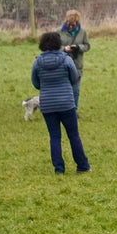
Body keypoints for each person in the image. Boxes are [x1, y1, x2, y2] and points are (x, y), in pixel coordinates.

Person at [32, 31, 91, 174]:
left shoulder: (37, 62)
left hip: (47, 104)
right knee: (73, 135)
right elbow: (74, 77)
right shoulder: (66, 60)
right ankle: (82, 166)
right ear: (58, 44)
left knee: (54, 136)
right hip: (66, 103)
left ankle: (59, 168)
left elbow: (36, 83)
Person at [59, 9, 89, 111]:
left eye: (73, 24)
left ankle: (73, 111)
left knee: (75, 90)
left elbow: (87, 46)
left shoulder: (83, 32)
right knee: (63, 90)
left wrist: (78, 47)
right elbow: (54, 46)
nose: (71, 26)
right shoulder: (59, 32)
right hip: (62, 64)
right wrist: (64, 49)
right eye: (69, 23)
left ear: (77, 22)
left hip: (77, 65)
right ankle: (63, 110)